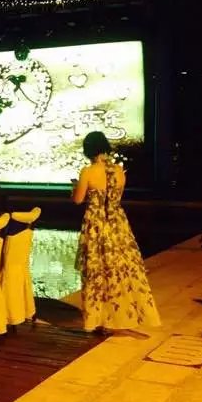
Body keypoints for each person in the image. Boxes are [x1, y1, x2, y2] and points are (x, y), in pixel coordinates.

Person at [72, 131, 161, 334]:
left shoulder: (88, 172)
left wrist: (74, 189)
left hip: (96, 225)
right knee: (119, 272)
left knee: (96, 273)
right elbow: (115, 198)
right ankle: (118, 317)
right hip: (117, 224)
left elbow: (78, 200)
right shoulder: (120, 171)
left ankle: (98, 320)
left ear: (88, 150)